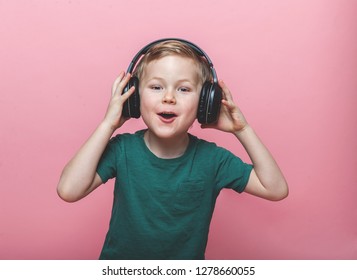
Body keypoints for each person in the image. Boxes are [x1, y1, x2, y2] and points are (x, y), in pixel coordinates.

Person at [57, 39, 288, 260]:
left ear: (205, 102)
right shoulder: (122, 150)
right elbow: (69, 190)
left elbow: (275, 189)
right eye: (156, 87)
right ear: (134, 97)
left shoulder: (213, 159)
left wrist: (242, 129)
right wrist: (108, 124)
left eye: (184, 89)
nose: (169, 98)